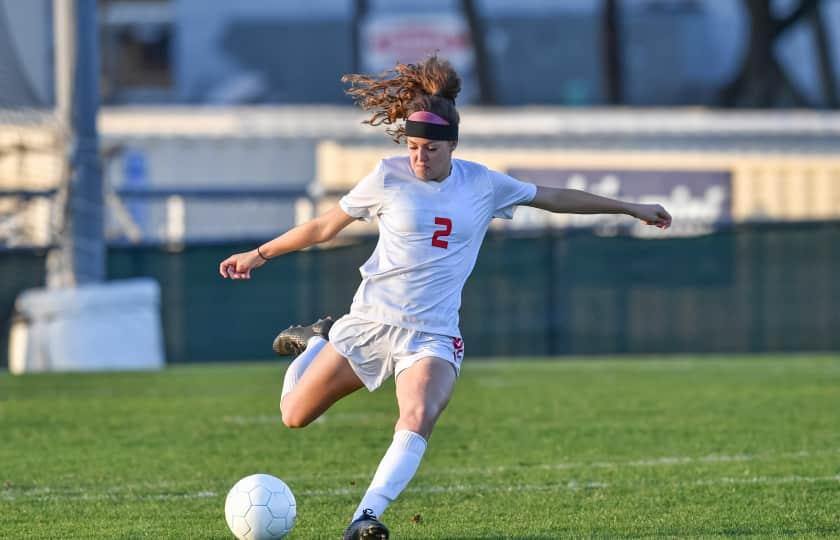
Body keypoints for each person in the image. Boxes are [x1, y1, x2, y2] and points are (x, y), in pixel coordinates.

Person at [219, 55, 672, 540]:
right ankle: (316, 341)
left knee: (417, 415)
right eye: (412, 146)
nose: (419, 157)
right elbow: (323, 226)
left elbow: (556, 197)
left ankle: (365, 517)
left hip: (432, 335)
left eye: (430, 149)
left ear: (452, 145)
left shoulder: (482, 184)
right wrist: (260, 253)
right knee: (293, 416)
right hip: (370, 323)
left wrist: (630, 207)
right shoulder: (388, 176)